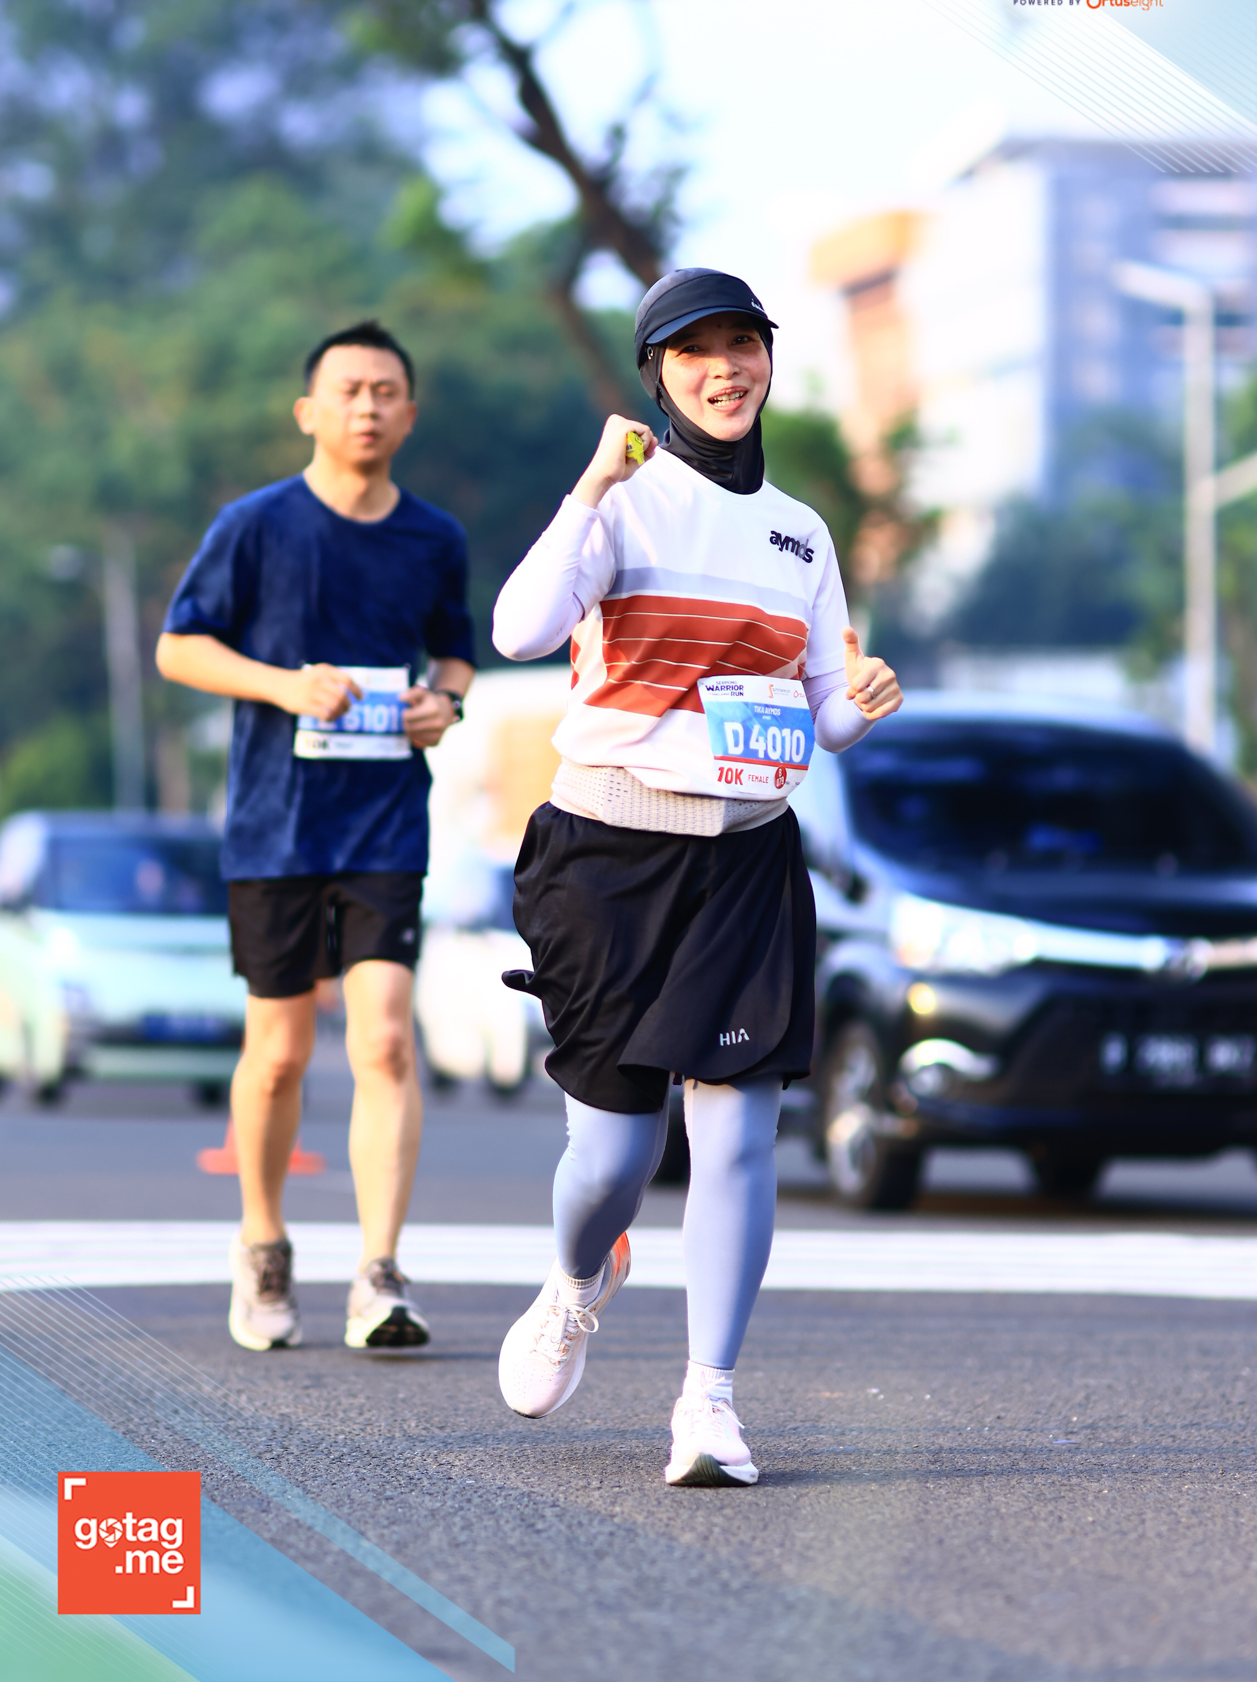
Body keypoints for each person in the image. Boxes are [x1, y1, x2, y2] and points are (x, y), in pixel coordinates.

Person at [491, 268, 902, 1486]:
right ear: (657, 376)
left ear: (768, 359)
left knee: (735, 1140)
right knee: (614, 1161)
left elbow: (820, 713)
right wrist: (587, 487)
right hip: (606, 855)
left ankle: (707, 1401)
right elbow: (517, 630)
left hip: (747, 859)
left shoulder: (802, 533)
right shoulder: (620, 501)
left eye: (742, 345)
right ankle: (576, 1279)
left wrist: (862, 697)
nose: (724, 370)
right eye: (693, 352)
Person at [156, 319, 475, 1354]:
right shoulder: (254, 525)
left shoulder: (434, 537)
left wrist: (445, 704)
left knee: (383, 1038)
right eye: (347, 390)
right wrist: (281, 684)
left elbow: (454, 654)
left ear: (410, 414)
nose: (366, 407)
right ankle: (262, 1242)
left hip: (385, 820)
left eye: (385, 391)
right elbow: (178, 648)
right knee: (280, 1054)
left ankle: (379, 1272)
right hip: (275, 825)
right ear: (308, 411)